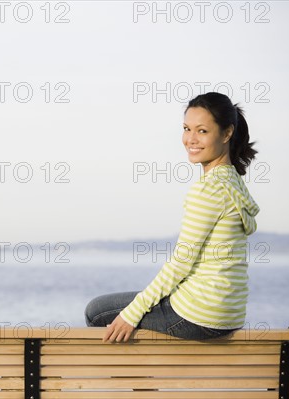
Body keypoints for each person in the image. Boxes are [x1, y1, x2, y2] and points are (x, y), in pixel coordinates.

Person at [85, 92, 260, 343]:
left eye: (202, 131)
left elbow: (181, 262)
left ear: (226, 133)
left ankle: (138, 383)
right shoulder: (232, 182)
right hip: (228, 314)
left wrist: (132, 314)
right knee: (135, 306)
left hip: (199, 314)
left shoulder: (209, 189)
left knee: (98, 311)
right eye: (187, 129)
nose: (191, 139)